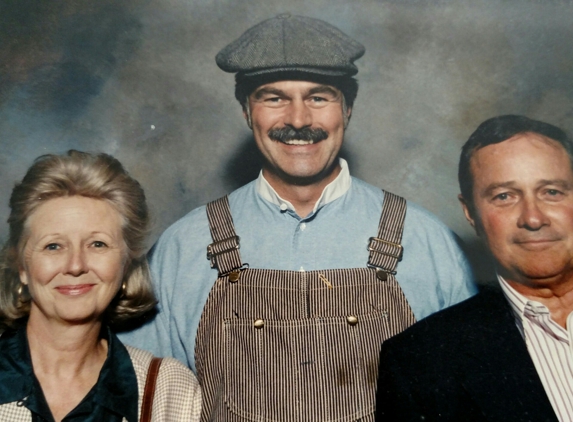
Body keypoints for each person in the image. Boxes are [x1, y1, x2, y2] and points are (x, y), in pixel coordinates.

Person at [120, 14, 476, 421]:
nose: (299, 120)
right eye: (274, 98)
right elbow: (146, 401)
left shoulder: (425, 241)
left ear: (348, 108)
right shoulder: (185, 246)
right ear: (245, 111)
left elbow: (467, 401)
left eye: (319, 97)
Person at [375, 115, 573, 421]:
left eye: (551, 192)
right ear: (470, 213)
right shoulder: (421, 362)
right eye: (504, 196)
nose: (533, 219)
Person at [0, 150, 201, 421]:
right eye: (53, 246)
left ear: (125, 265)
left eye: (98, 244)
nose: (75, 265)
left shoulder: (169, 390)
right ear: (22, 267)